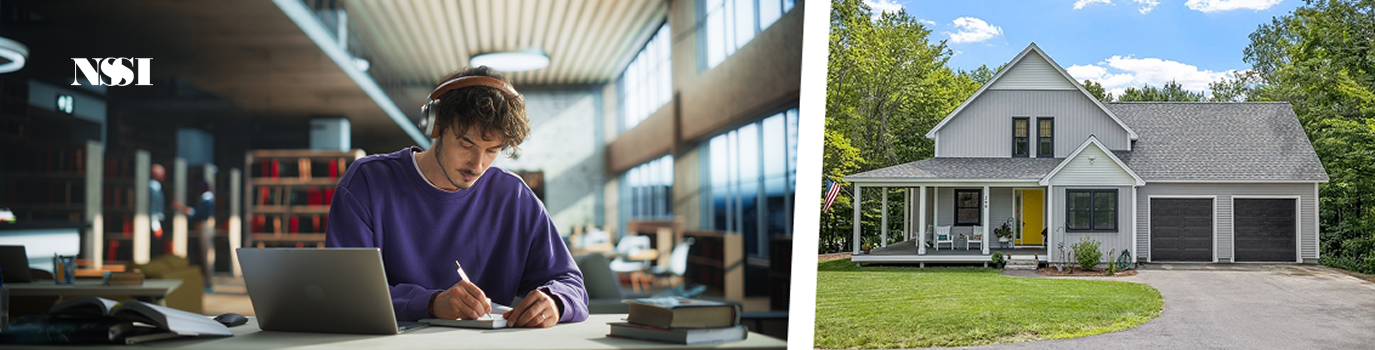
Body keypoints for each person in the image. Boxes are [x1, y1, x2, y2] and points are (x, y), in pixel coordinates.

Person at [325, 66, 588, 328]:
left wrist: (555, 302)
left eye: (492, 150)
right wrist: (430, 303)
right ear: (436, 125)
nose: (477, 165)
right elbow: (344, 292)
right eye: (466, 144)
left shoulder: (514, 198)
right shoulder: (368, 182)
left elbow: (571, 284)